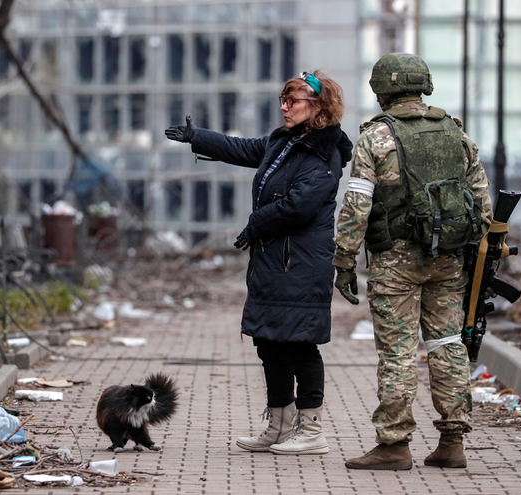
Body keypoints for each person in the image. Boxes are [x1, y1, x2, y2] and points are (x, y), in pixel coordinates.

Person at [165, 70, 353, 455]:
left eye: (293, 101)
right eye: (283, 100)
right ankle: (279, 425)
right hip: (273, 261)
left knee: (300, 343)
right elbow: (243, 148)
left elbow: (299, 205)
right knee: (269, 341)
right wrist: (197, 136)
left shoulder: (324, 151)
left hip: (301, 263)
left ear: (318, 106)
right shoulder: (284, 142)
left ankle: (312, 431)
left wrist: (254, 225)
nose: (284, 107)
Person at [333, 52, 493, 470]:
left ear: (381, 90)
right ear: (423, 86)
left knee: (398, 353)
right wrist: (469, 253)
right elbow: (482, 202)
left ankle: (394, 445)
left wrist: (344, 260)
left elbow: (357, 205)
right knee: (448, 344)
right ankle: (453, 442)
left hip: (395, 262)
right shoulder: (456, 132)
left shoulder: (376, 137)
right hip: (448, 259)